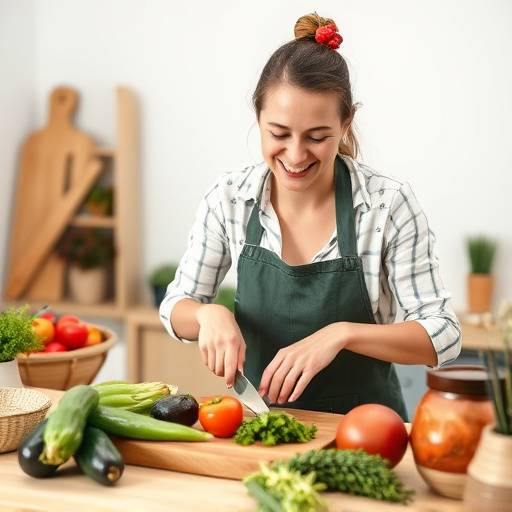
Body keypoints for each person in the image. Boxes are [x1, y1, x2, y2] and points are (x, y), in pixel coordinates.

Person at [159, 13, 461, 420]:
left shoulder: (386, 205)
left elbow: (443, 334)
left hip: (367, 432)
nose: (297, 155)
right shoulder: (229, 199)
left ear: (346, 122)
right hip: (263, 426)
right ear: (258, 120)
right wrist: (208, 314)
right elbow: (176, 305)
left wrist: (342, 334)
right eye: (279, 134)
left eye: (317, 137)